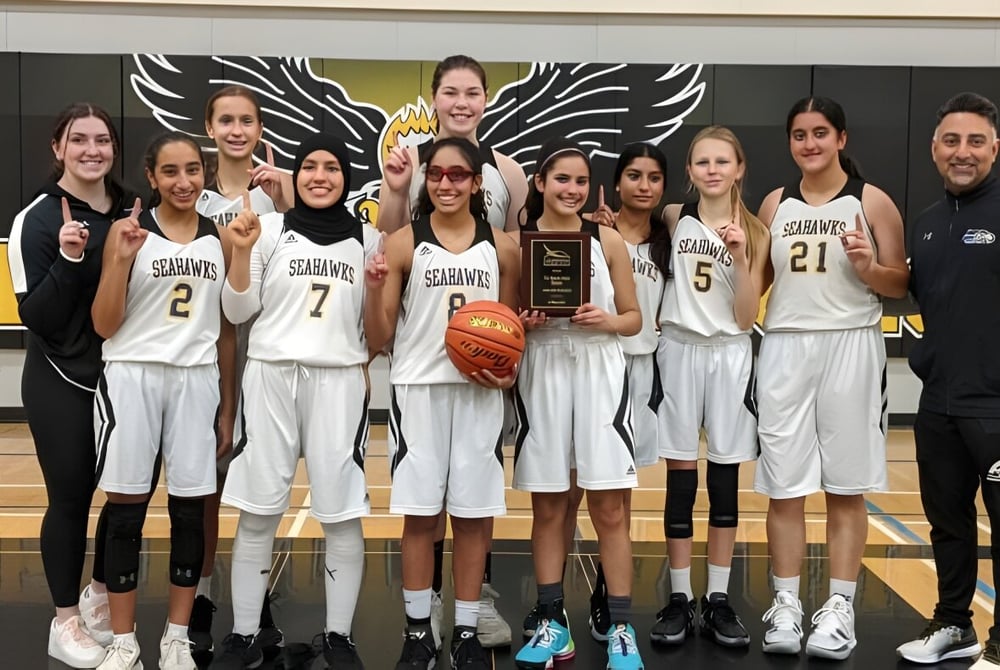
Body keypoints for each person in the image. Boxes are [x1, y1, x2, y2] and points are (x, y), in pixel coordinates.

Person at [209, 132, 375, 670]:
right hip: (271, 376)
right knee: (259, 511)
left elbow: (378, 327)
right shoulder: (268, 229)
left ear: (346, 177)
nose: (319, 176)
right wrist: (240, 250)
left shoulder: (369, 240)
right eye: (309, 167)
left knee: (341, 515)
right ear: (295, 176)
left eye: (331, 168)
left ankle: (339, 635)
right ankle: (242, 635)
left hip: (339, 381)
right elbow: (237, 311)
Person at [379, 53, 527, 650]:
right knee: (422, 511)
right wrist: (396, 190)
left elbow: (511, 315)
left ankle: (468, 616)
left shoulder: (508, 185)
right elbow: (387, 242)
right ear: (435, 98)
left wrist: (507, 363)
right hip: (420, 373)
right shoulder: (405, 173)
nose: (461, 102)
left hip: (479, 382)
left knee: (473, 510)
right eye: (450, 92)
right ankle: (421, 622)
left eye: (472, 92)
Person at [754, 97, 908, 660]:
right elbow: (754, 283)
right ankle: (787, 606)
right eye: (800, 134)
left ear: (841, 138)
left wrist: (868, 267)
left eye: (820, 133)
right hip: (785, 346)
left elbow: (898, 284)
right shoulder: (774, 204)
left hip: (850, 345)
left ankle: (840, 609)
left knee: (845, 487)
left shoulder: (871, 201)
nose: (810, 144)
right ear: (790, 142)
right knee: (784, 486)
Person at [90, 131, 235, 670]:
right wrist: (119, 261)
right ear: (151, 177)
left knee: (190, 511)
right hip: (133, 374)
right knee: (126, 513)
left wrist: (227, 407)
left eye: (192, 170)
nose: (183, 181)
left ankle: (176, 637)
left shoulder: (220, 239)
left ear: (205, 173)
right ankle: (123, 641)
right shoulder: (128, 231)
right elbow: (104, 325)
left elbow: (226, 330)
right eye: (170, 171)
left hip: (196, 379)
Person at [512, 137, 644, 670]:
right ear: (540, 183)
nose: (572, 189)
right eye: (562, 179)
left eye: (582, 181)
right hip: (542, 365)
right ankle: (552, 622)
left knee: (608, 507)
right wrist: (522, 324)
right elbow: (504, 318)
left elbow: (633, 318)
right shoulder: (517, 243)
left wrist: (607, 320)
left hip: (598, 366)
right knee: (550, 504)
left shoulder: (606, 239)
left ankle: (621, 628)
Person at [7, 103, 130, 668]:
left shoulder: (134, 209)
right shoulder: (36, 218)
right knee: (71, 497)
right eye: (78, 139)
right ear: (58, 147)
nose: (91, 150)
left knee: (126, 492)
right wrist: (68, 257)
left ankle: (99, 592)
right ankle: (64, 621)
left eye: (101, 139)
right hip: (62, 378)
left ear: (114, 148)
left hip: (125, 376)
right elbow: (38, 316)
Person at [647, 126, 769, 649]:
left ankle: (717, 598)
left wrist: (738, 256)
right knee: (679, 481)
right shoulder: (675, 217)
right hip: (677, 349)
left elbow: (745, 317)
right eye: (702, 162)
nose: (712, 170)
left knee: (724, 480)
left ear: (739, 168)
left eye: (722, 161)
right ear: (690, 170)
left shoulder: (757, 232)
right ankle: (680, 597)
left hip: (729, 353)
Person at [896, 91, 1000, 669]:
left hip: (996, 405)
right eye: (952, 141)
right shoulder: (928, 224)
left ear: (995, 149)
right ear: (934, 148)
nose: (964, 152)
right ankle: (955, 623)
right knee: (947, 523)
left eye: (976, 141)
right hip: (938, 403)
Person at [191, 84, 290, 666]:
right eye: (225, 120)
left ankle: (257, 607)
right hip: (205, 355)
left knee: (261, 492)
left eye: (246, 120)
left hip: (264, 359)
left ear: (259, 129)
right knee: (207, 486)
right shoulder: (193, 196)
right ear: (210, 128)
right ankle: (201, 597)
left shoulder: (278, 200)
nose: (235, 130)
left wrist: (284, 196)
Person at [581, 143, 669, 642]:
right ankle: (559, 602)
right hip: (595, 361)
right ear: (616, 183)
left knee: (619, 490)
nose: (644, 185)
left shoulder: (668, 238)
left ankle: (607, 591)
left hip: (640, 367)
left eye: (654, 177)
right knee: (572, 486)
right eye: (634, 175)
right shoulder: (596, 234)